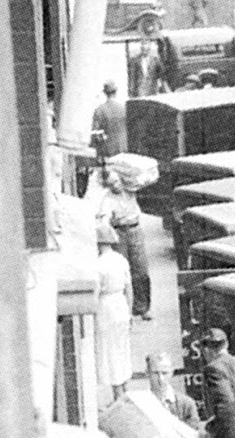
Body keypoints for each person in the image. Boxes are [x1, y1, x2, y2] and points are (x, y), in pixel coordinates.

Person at [97, 169, 151, 320]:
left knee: (141, 270)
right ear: (107, 186)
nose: (116, 185)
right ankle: (127, 310)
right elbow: (105, 218)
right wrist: (105, 226)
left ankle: (143, 308)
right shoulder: (107, 199)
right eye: (112, 184)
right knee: (123, 270)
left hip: (135, 229)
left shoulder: (130, 190)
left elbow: (145, 178)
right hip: (120, 233)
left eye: (117, 181)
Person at [95, 223, 132, 401]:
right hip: (121, 303)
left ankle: (118, 393)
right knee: (122, 347)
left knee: (109, 350)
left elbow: (96, 292)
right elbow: (129, 288)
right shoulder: (121, 259)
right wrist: (130, 311)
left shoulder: (98, 264)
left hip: (106, 305)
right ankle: (125, 387)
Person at [201, 328, 235, 438]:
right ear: (226, 344)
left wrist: (212, 430)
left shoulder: (213, 368)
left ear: (206, 350)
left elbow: (226, 406)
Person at [147, 352, 199, 428]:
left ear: (172, 373)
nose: (161, 379)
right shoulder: (139, 404)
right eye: (155, 373)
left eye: (165, 373)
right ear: (147, 373)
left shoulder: (186, 405)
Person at [91, 80, 128, 158]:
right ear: (115, 93)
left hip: (107, 152)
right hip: (122, 149)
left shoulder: (100, 110)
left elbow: (96, 134)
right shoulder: (123, 109)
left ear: (105, 93)